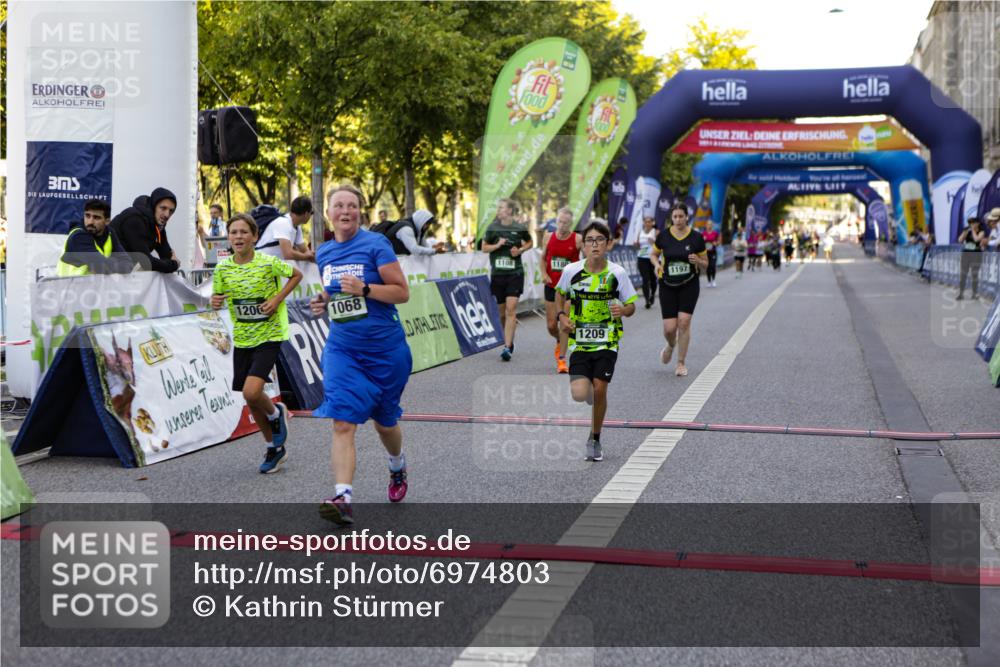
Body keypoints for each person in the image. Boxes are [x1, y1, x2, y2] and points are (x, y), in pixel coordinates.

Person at [309, 185, 413, 525]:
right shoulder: (323, 252)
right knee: (343, 422)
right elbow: (331, 290)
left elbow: (401, 293)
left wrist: (366, 289)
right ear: (328, 212)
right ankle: (343, 497)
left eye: (352, 206)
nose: (345, 211)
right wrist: (322, 302)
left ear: (360, 212)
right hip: (343, 350)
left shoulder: (375, 245)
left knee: (385, 422)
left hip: (385, 350)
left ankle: (397, 465)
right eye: (338, 205)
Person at [211, 213, 302, 474]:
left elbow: (296, 275)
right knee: (249, 399)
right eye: (233, 232)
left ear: (255, 237)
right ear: (228, 237)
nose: (238, 237)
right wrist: (214, 302)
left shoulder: (268, 262)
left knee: (252, 392)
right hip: (242, 337)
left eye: (243, 232)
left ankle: (275, 414)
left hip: (269, 335)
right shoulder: (223, 268)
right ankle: (274, 448)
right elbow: (218, 296)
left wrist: (276, 300)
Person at [554, 220, 637, 462]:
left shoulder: (617, 273)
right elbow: (558, 296)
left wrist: (623, 310)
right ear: (583, 245)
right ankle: (589, 392)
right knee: (580, 394)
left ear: (608, 244)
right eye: (590, 240)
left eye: (600, 240)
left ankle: (595, 438)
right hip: (579, 341)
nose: (595, 245)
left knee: (600, 389)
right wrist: (561, 316)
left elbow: (632, 305)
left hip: (607, 340)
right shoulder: (571, 271)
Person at [651, 203, 708, 377]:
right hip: (667, 284)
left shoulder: (696, 238)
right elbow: (653, 254)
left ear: (686, 217)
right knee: (669, 329)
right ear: (672, 218)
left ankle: (681, 363)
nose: (678, 220)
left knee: (683, 322)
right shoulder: (664, 236)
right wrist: (657, 264)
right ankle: (670, 345)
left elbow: (706, 264)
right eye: (675, 217)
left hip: (689, 284)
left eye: (681, 216)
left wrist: (698, 261)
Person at [481, 198, 532, 361]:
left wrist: (521, 250)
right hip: (498, 274)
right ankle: (507, 339)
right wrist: (497, 245)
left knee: (511, 309)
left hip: (515, 273)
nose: (499, 210)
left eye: (501, 207)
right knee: (502, 312)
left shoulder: (519, 227)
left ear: (510, 210)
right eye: (498, 207)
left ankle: (507, 347)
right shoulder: (492, 228)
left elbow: (530, 242)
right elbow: (484, 248)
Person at [542, 206, 583, 373]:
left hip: (569, 287)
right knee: (552, 326)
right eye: (559, 221)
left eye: (565, 223)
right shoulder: (548, 237)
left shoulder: (577, 239)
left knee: (565, 323)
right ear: (556, 221)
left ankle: (562, 358)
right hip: (552, 285)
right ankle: (560, 341)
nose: (562, 225)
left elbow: (586, 259)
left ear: (570, 223)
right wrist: (544, 273)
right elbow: (542, 258)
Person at [110, 187, 179, 273]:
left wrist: (171, 262)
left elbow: (166, 255)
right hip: (104, 273)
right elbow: (145, 262)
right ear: (154, 206)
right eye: (163, 208)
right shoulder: (134, 219)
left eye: (171, 211)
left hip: (123, 273)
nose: (167, 215)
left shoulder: (158, 226)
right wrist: (173, 264)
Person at [57, 199, 133, 276]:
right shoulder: (78, 236)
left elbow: (128, 264)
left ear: (107, 221)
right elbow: (101, 267)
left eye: (96, 218)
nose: (90, 222)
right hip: (69, 285)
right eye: (87, 216)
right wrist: (111, 263)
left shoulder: (110, 233)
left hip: (94, 286)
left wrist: (105, 264)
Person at [255, 195, 316, 262]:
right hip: (261, 264)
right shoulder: (283, 223)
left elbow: (303, 249)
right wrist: (305, 256)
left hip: (273, 264)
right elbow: (288, 254)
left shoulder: (297, 227)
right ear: (306, 214)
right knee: (297, 272)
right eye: (311, 213)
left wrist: (315, 258)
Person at [956, 217, 986, 300]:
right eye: (970, 223)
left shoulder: (981, 232)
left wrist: (972, 230)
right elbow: (960, 240)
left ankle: (974, 293)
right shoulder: (967, 231)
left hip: (976, 254)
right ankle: (961, 293)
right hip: (966, 253)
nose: (971, 224)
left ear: (978, 223)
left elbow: (977, 240)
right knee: (963, 274)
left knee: (974, 274)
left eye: (973, 222)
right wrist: (965, 232)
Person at [635, 216, 658, 307]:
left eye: (649, 222)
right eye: (646, 222)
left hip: (653, 258)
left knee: (653, 279)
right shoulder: (640, 232)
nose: (647, 223)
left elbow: (659, 245)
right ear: (643, 223)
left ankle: (652, 295)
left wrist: (653, 242)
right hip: (642, 258)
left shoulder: (656, 232)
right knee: (645, 279)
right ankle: (647, 300)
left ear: (653, 223)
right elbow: (637, 246)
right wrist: (636, 245)